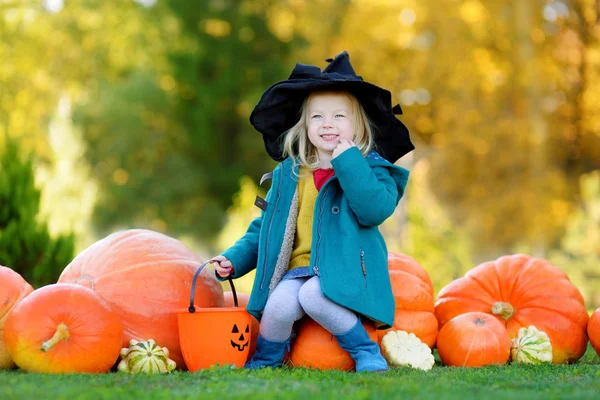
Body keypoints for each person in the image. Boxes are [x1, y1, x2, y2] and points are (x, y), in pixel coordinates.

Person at [209, 51, 414, 372]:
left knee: (314, 297)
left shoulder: (370, 168)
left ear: (359, 125)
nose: (327, 124)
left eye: (339, 117)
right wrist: (234, 259)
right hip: (297, 269)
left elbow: (374, 210)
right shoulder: (290, 174)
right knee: (277, 306)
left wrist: (348, 163)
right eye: (317, 117)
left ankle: (365, 351)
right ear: (304, 126)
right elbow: (266, 227)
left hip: (344, 271)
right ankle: (266, 358)